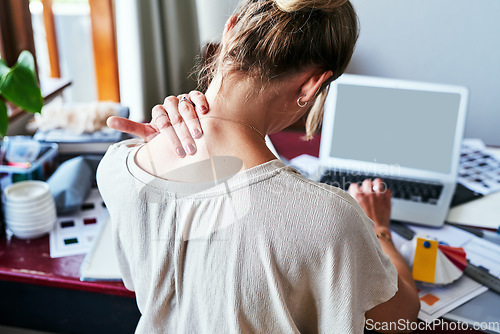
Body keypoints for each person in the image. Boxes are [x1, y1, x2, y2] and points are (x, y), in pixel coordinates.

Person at [97, 0, 420, 333]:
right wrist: (379, 229)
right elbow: (399, 319)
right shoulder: (333, 219)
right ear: (311, 85)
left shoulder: (116, 167)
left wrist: (154, 145)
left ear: (229, 29)